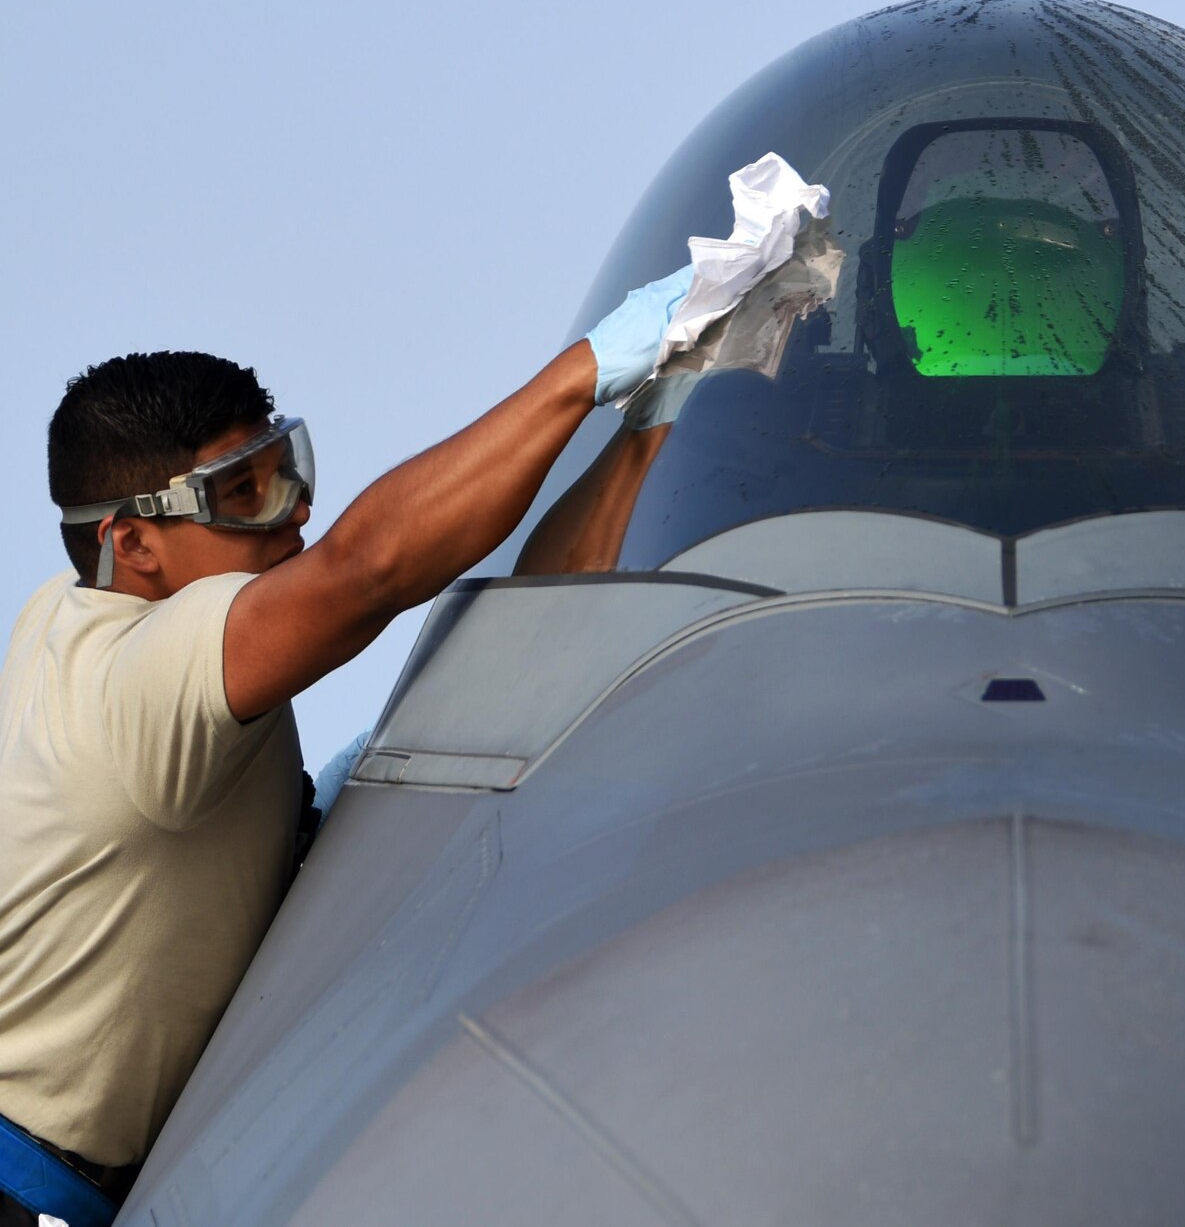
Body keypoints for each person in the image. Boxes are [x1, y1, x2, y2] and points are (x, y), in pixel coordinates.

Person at [0, 266, 692, 1226]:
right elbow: (367, 568)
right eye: (241, 495)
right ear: (136, 544)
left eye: (285, 470)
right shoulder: (139, 681)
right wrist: (587, 372)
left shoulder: (76, 623)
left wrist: (655, 417)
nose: (291, 511)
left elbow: (534, 609)